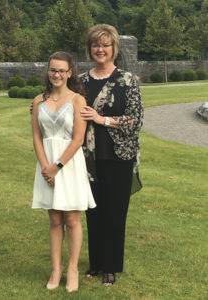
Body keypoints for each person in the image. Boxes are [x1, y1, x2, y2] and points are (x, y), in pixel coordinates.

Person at [80, 24, 143, 286]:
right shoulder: (81, 81)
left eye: (105, 45)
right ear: (90, 48)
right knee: (93, 210)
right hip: (87, 157)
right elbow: (61, 103)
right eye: (96, 44)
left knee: (115, 213)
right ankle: (95, 263)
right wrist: (39, 104)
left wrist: (101, 119)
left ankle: (110, 266)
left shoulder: (127, 80)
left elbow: (135, 120)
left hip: (119, 156)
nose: (100, 49)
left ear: (114, 48)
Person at [31, 51, 96, 292]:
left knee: (72, 218)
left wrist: (57, 167)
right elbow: (37, 137)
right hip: (46, 165)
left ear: (70, 72)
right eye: (52, 70)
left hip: (68, 165)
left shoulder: (78, 100)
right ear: (48, 71)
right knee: (55, 218)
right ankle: (56, 269)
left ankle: (72, 269)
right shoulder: (38, 100)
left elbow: (78, 139)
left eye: (61, 70)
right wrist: (45, 167)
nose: (56, 74)